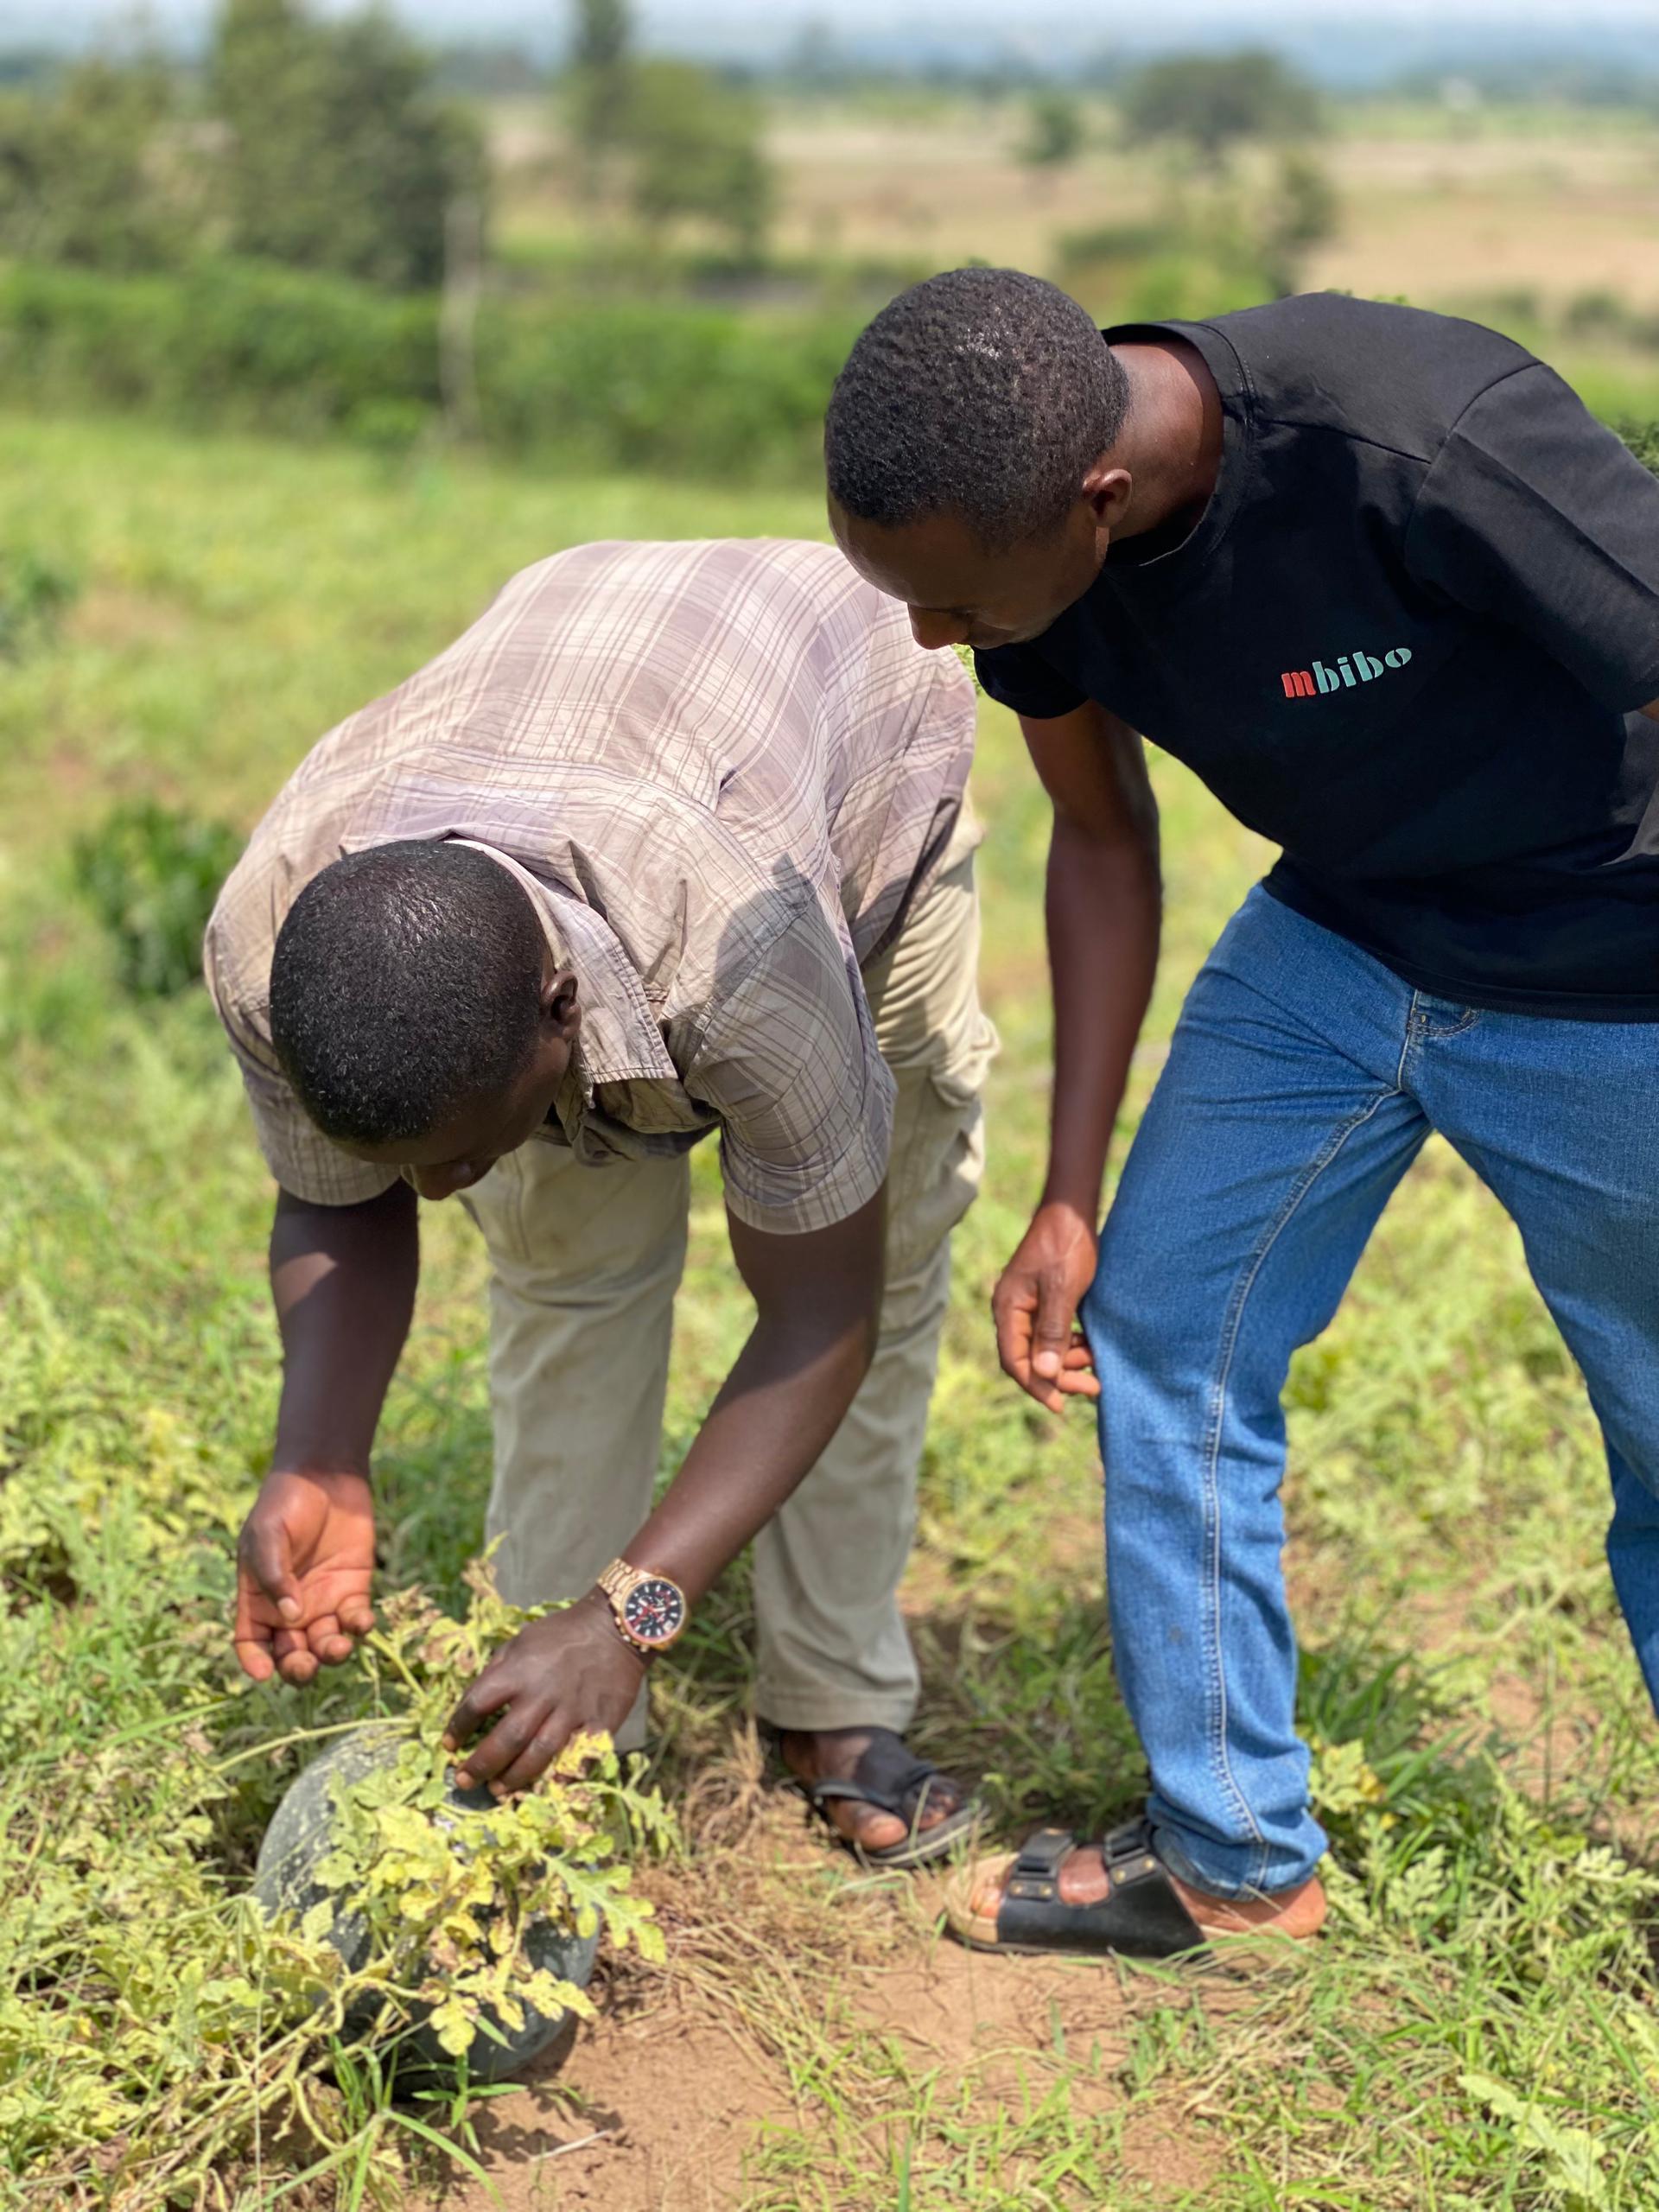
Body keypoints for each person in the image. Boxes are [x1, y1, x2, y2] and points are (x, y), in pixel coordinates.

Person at [824, 265, 1659, 1955]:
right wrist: (1072, 1187)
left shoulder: (1419, 433)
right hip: (1341, 936)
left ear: (1098, 499)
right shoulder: (1027, 551)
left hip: (1610, 969)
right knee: (1166, 1327)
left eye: (951, 604)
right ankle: (1233, 1859)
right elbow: (1106, 835)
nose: (931, 636)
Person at [207, 536, 998, 1866]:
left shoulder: (752, 961)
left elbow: (824, 1320)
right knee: (566, 1261)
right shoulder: (270, 939)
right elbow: (341, 1204)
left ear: (559, 1011)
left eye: (457, 1152)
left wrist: (637, 1606)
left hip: (848, 735)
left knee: (893, 1250)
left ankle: (836, 1703)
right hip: (572, 711)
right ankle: (559, 1741)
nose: (439, 1191)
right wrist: (320, 1455)